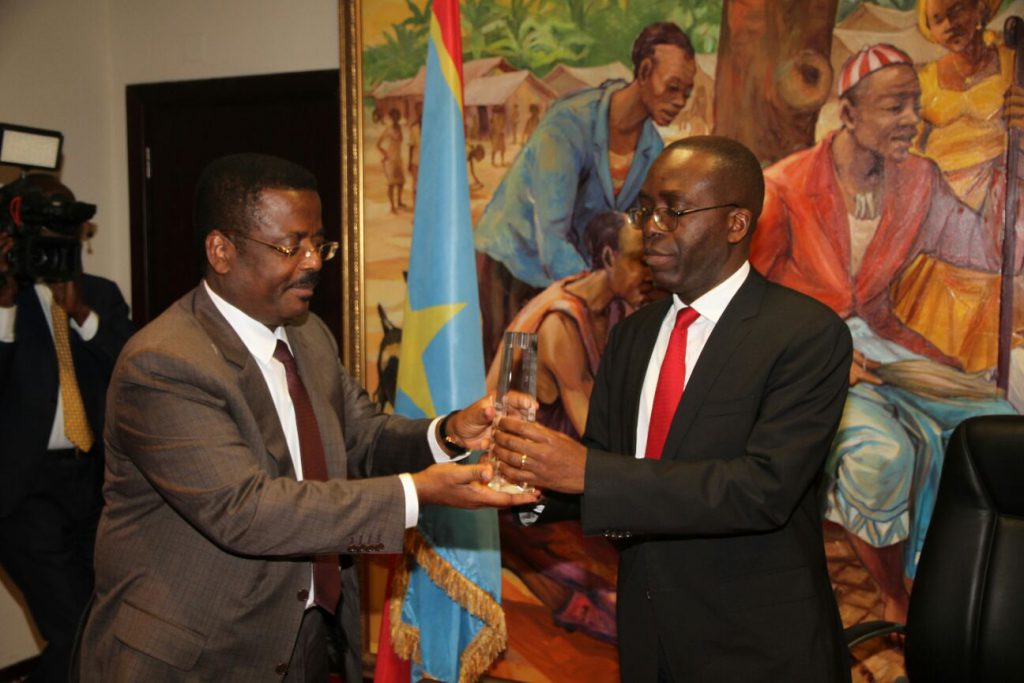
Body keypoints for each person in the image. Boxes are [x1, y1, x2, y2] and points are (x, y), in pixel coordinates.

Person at [77, 154, 537, 682]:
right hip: (196, 656)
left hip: (306, 639)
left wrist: (450, 432)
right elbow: (246, 512)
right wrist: (417, 493)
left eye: (319, 243)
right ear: (221, 251)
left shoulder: (309, 334)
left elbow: (362, 439)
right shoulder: (164, 364)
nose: (314, 261)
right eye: (291, 246)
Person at [493, 137, 852, 681]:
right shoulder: (632, 336)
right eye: (645, 210)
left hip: (756, 647)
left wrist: (586, 471)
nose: (651, 227)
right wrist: (526, 484)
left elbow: (762, 490)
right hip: (647, 639)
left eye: (673, 211)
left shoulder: (805, 335)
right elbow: (606, 469)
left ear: (736, 224)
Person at [750, 44, 1017, 624]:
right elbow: (744, 305)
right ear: (848, 114)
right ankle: (897, 599)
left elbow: (992, 251)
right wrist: (820, 359)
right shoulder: (784, 187)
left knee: (995, 423)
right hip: (802, 361)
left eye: (915, 104)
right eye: (895, 107)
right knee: (883, 455)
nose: (912, 119)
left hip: (887, 350)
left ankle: (953, 580)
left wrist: (1014, 165)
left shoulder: (918, 180)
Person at [474, 22, 696, 362]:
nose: (679, 101)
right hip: (515, 269)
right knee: (519, 377)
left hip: (581, 278)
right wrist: (602, 289)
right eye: (673, 87)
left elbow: (630, 232)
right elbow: (552, 241)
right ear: (644, 72)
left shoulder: (652, 149)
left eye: (687, 93)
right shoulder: (568, 126)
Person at [486, 211, 655, 641]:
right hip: (527, 485)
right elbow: (592, 430)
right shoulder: (560, 324)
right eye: (639, 260)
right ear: (608, 257)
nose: (649, 271)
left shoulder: (614, 306)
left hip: (569, 474)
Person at [0, 174, 134, 683]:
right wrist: (3, 307)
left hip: (95, 484)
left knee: (106, 622)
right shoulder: (5, 297)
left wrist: (81, 313)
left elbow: (136, 371)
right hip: (25, 491)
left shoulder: (98, 294)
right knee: (76, 627)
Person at [890, 0, 1024, 373]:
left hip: (1003, 197)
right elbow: (905, 150)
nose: (949, 24)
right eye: (937, 19)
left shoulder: (1014, 62)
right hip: (942, 203)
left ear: (980, 9)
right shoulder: (923, 80)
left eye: (957, 10)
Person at [377, 108, 406, 213]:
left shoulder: (400, 128)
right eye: (394, 116)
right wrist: (385, 154)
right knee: (391, 184)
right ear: (391, 118)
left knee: (401, 182)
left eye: (397, 116)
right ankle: (392, 206)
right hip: (390, 159)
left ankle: (399, 202)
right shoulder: (388, 129)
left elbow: (401, 141)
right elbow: (378, 144)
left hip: (398, 158)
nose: (396, 118)